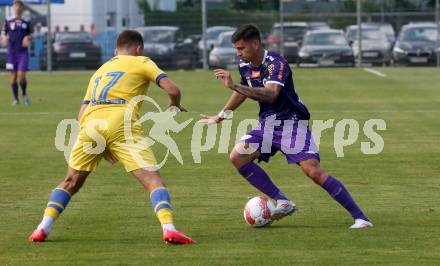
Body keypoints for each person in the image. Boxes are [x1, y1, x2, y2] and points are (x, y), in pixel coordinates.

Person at [28, 30, 196, 244]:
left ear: (116, 50)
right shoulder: (142, 61)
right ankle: (169, 228)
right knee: (153, 180)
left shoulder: (101, 69)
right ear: (138, 48)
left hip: (90, 124)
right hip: (120, 121)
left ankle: (42, 228)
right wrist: (174, 105)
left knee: (71, 181)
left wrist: (103, 145)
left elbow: (81, 115)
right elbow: (173, 89)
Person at [201, 24, 372, 229]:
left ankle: (361, 218)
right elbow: (242, 91)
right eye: (236, 48)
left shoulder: (276, 63)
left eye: (241, 48)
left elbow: (271, 94)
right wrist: (221, 116)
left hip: (291, 122)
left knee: (313, 171)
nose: (238, 53)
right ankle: (283, 201)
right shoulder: (244, 66)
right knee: (238, 156)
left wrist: (234, 85)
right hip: (268, 125)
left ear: (255, 44)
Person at [1, 0, 32, 105]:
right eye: (15, 6)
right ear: (13, 8)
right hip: (12, 53)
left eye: (19, 6)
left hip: (22, 52)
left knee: (21, 75)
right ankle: (15, 98)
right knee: (13, 76)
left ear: (22, 8)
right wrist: (4, 38)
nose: (17, 8)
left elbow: (31, 34)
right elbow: (3, 33)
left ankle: (24, 94)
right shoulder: (8, 21)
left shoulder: (26, 21)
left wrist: (28, 37)